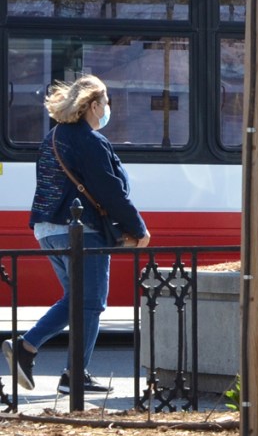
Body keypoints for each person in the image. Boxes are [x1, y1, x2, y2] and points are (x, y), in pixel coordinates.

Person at [3, 75, 151, 394]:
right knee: (92, 301)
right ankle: (38, 354)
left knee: (77, 300)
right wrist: (137, 227)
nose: (109, 108)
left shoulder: (53, 137)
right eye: (107, 102)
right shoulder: (90, 140)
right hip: (81, 232)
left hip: (47, 229)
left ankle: (58, 367)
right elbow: (109, 189)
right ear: (94, 106)